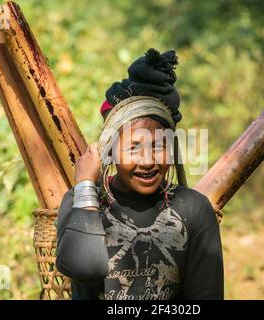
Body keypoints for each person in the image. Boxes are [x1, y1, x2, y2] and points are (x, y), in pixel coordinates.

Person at [56, 48, 223, 300]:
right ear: (109, 151)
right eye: (134, 147)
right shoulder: (81, 202)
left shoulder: (193, 209)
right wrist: (85, 187)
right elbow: (85, 266)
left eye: (158, 145)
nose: (148, 161)